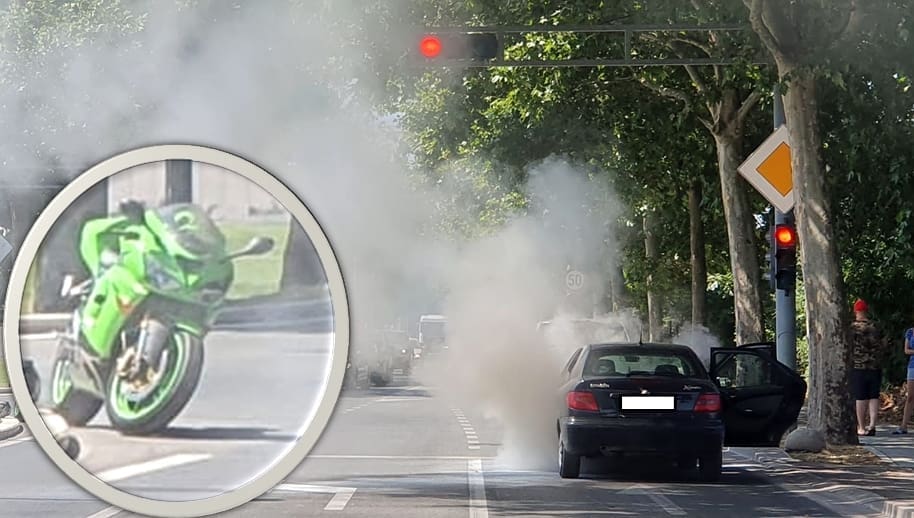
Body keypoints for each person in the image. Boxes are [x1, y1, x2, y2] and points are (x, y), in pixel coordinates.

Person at [850, 299, 885, 436]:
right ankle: (872, 425)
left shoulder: (852, 328)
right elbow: (883, 345)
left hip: (859, 365)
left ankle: (861, 427)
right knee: (873, 396)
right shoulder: (875, 327)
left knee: (860, 397)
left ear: (855, 311)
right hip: (875, 366)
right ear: (866, 310)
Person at [893, 321, 914, 434]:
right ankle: (904, 425)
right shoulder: (910, 332)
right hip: (912, 366)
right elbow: (906, 350)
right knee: (910, 396)